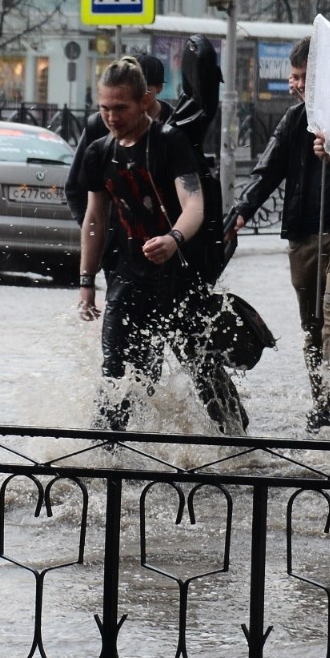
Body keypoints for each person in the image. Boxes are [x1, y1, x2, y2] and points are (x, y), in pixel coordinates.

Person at [76, 57, 244, 434]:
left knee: (202, 365)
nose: (112, 117)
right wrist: (86, 280)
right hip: (129, 274)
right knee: (115, 370)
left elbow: (194, 205)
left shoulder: (170, 142)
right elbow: (95, 219)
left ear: (143, 101)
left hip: (180, 275)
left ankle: (238, 442)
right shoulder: (98, 151)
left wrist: (173, 238)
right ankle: (105, 453)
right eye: (104, 108)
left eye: (121, 108)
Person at [229, 40, 330, 431]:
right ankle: (321, 405)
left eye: (304, 78)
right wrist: (241, 212)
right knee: (312, 327)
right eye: (293, 77)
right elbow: (267, 170)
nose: (296, 85)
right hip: (304, 237)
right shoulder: (293, 120)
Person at [65, 53, 170, 222]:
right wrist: (92, 226)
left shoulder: (172, 128)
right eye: (106, 108)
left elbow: (189, 200)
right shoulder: (100, 125)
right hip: (114, 237)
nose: (113, 118)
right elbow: (76, 186)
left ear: (158, 88)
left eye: (146, 89)